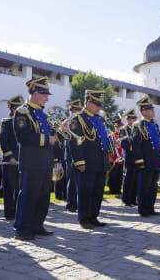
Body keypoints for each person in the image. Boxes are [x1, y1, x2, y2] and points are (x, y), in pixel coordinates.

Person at [13, 76, 55, 240]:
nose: (46, 98)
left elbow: (48, 135)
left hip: (44, 161)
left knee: (44, 196)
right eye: (44, 95)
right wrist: (46, 140)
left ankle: (37, 225)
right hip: (31, 162)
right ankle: (22, 228)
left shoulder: (42, 114)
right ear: (34, 93)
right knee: (29, 195)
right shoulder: (23, 112)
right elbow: (23, 137)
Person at [69, 90, 110, 229]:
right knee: (86, 190)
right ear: (88, 103)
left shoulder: (98, 119)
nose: (99, 107)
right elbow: (74, 142)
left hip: (100, 160)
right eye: (96, 104)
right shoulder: (78, 119)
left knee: (98, 190)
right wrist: (79, 161)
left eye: (100, 104)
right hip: (87, 161)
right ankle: (84, 218)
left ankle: (93, 216)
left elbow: (102, 139)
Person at [133, 95, 160, 216]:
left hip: (155, 159)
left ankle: (150, 207)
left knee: (153, 186)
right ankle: (143, 209)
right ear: (143, 111)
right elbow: (136, 144)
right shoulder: (138, 125)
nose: (153, 111)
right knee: (144, 186)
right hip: (145, 160)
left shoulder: (155, 124)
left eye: (152, 109)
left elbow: (158, 141)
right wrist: (139, 160)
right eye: (150, 109)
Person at [0, 94, 24, 220]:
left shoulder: (23, 124)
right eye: (18, 108)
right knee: (9, 187)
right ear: (13, 109)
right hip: (10, 161)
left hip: (22, 160)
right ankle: (8, 213)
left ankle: (17, 212)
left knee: (19, 187)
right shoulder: (6, 123)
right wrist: (10, 158)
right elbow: (4, 142)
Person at [65, 99, 82, 212]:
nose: (77, 112)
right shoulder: (67, 122)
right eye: (75, 110)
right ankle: (71, 204)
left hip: (80, 152)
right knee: (72, 179)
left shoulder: (81, 121)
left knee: (79, 179)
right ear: (70, 110)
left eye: (78, 110)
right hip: (71, 153)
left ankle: (77, 202)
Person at [120, 109, 138, 207]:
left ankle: (134, 199)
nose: (134, 120)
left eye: (135, 118)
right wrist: (131, 146)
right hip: (129, 156)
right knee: (129, 178)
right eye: (132, 118)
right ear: (128, 119)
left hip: (137, 157)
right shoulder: (123, 129)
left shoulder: (136, 128)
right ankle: (126, 199)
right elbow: (123, 143)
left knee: (136, 179)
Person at [107, 119, 124, 194]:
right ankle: (112, 190)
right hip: (114, 158)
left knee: (119, 176)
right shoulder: (111, 135)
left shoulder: (123, 135)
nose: (118, 129)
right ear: (115, 127)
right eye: (117, 127)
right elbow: (108, 147)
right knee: (113, 175)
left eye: (119, 127)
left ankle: (118, 190)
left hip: (121, 158)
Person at [53, 126, 67, 200]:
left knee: (65, 178)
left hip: (65, 159)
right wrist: (56, 160)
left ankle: (65, 194)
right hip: (58, 159)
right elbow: (54, 148)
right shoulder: (57, 135)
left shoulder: (66, 134)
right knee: (58, 177)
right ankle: (58, 194)